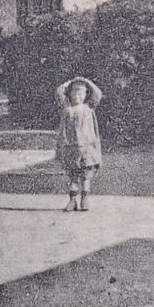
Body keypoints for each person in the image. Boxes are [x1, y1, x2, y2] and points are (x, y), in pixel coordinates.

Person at [55, 76, 103, 212]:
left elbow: (98, 94)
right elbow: (59, 92)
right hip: (72, 148)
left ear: (85, 95)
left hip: (87, 149)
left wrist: (86, 81)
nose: (77, 96)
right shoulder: (67, 108)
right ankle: (73, 200)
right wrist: (69, 82)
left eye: (80, 93)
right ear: (69, 95)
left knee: (86, 176)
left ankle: (85, 199)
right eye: (74, 93)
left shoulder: (89, 108)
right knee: (73, 177)